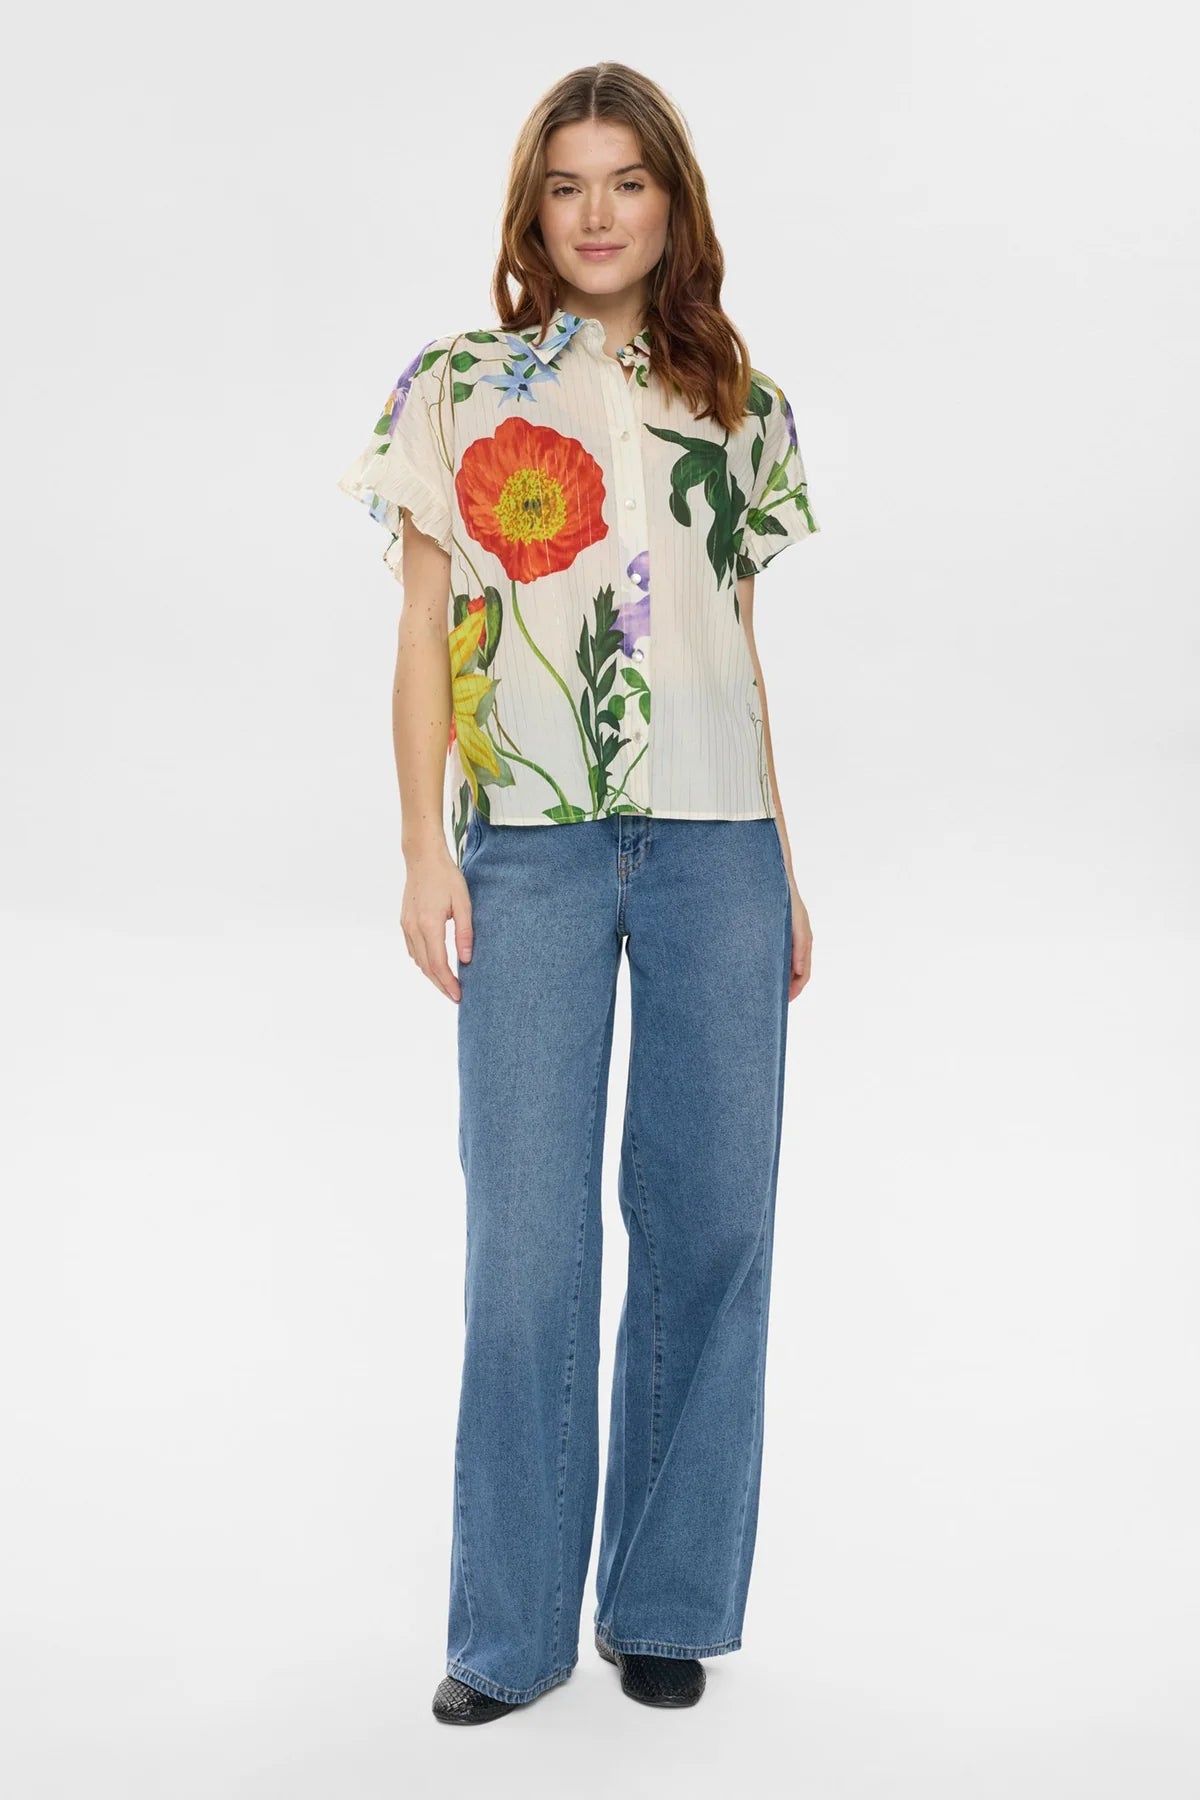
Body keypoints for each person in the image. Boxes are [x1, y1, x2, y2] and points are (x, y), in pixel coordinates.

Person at [336, 61, 820, 1725]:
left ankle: (668, 1600)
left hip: (717, 847)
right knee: (526, 1236)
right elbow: (418, 632)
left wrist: (787, 865)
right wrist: (421, 849)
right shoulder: (458, 385)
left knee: (714, 1224)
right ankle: (511, 1633)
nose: (600, 211)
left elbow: (736, 647)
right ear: (532, 211)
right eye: (569, 183)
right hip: (529, 850)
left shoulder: (740, 399)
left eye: (629, 181)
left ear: (672, 204)